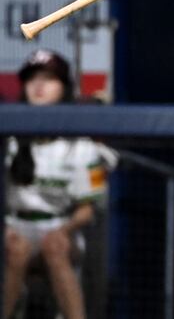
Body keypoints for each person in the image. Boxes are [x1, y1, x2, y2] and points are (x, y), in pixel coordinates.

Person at [4, 49, 116, 319]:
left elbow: (88, 210)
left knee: (55, 246)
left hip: (60, 226)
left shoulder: (80, 144)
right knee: (16, 249)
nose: (39, 86)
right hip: (14, 226)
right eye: (32, 79)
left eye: (48, 79)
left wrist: (62, 230)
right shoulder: (8, 137)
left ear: (64, 87)